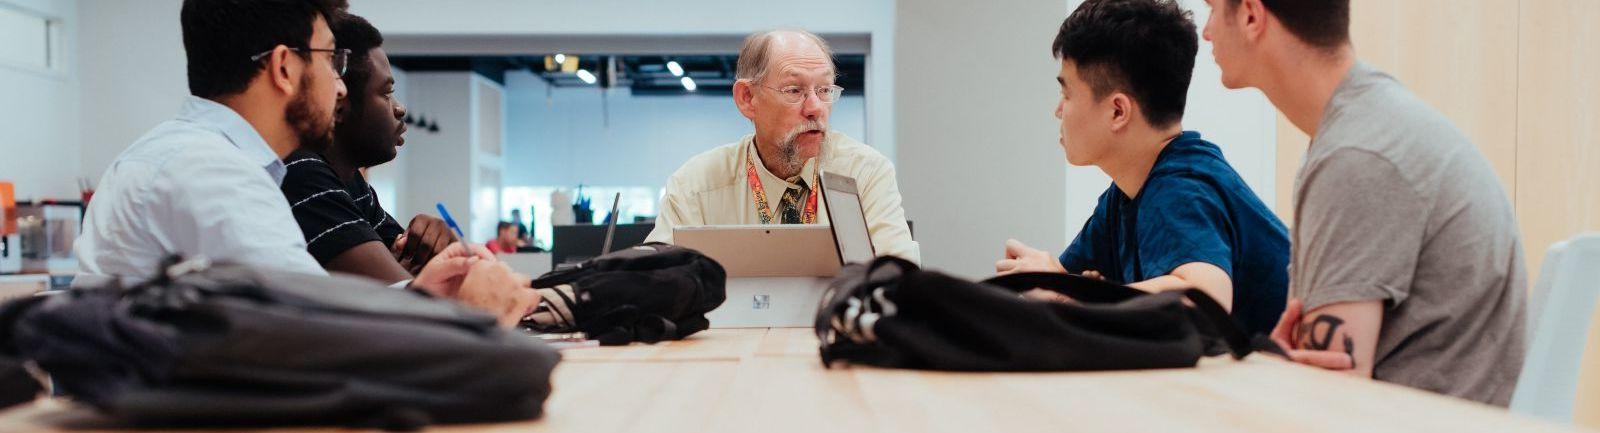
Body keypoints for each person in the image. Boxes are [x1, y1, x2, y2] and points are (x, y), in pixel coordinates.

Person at [73, 0, 537, 326]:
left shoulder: (208, 158)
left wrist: (425, 295)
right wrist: (469, 313)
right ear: (284, 68)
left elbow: (318, 316)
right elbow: (322, 332)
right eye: (327, 63)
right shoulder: (210, 173)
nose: (338, 88)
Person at [1201, 0, 1526, 405]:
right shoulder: (1371, 124)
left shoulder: (1357, 155)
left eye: (1211, 8)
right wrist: (1279, 362)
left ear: (1251, 15)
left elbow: (1330, 398)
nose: (1206, 31)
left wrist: (1273, 367)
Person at [994, 0, 1290, 335]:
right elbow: (1060, 290)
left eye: (1068, 93)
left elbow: (1204, 299)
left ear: (1118, 112)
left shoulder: (1179, 187)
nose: (1058, 110)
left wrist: (1067, 291)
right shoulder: (1123, 197)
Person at [644, 29, 920, 264]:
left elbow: (899, 284)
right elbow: (656, 286)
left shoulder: (865, 173)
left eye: (824, 90)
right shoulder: (696, 185)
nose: (815, 108)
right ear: (747, 98)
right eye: (794, 91)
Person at [279, 13, 456, 282]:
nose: (399, 108)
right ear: (339, 99)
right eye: (385, 93)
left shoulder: (351, 183)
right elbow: (406, 294)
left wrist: (438, 243)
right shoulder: (302, 171)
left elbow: (406, 269)